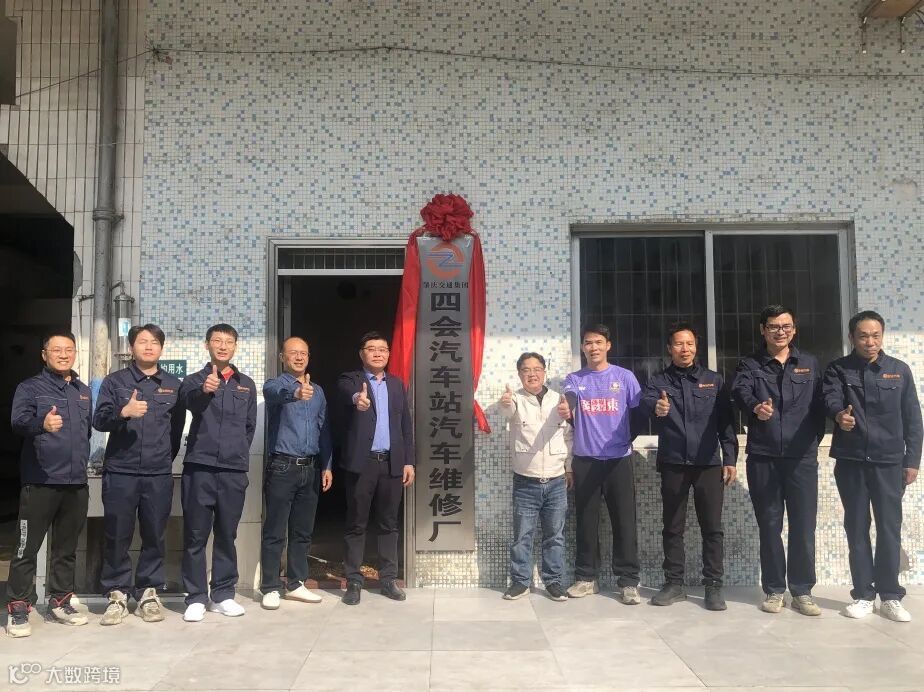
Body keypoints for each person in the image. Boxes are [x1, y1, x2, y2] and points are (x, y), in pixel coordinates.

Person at [823, 310, 922, 622]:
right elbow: (830, 399)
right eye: (863, 336)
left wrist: (912, 461)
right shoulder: (838, 369)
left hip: (889, 463)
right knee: (856, 528)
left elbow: (913, 419)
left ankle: (890, 596)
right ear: (851, 338)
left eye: (875, 335)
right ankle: (864, 595)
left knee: (889, 529)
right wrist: (839, 415)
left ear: (882, 336)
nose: (870, 341)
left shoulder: (899, 371)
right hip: (852, 461)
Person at [732, 305, 825, 616]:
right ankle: (773, 590)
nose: (780, 331)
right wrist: (756, 407)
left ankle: (802, 591)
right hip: (764, 456)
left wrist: (811, 441)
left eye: (786, 326)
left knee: (803, 525)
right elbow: (740, 391)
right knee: (770, 525)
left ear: (794, 329)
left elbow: (821, 404)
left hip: (801, 458)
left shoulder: (809, 363)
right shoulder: (750, 364)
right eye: (773, 326)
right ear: (763, 330)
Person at [638, 323, 738, 610]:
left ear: (696, 347)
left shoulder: (713, 380)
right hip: (674, 463)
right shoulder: (659, 381)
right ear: (669, 349)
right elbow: (646, 403)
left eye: (690, 344)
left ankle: (713, 586)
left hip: (708, 464)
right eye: (679, 344)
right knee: (672, 526)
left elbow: (726, 423)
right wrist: (656, 408)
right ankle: (674, 584)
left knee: (712, 528)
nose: (685, 349)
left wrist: (730, 458)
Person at [92, 324, 186, 625]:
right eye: (143, 341)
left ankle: (148, 592)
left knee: (154, 534)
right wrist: (123, 413)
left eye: (155, 342)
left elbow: (175, 430)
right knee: (117, 534)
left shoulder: (173, 385)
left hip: (157, 474)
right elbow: (99, 421)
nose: (149, 346)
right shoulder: (115, 382)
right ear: (131, 347)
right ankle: (117, 593)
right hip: (121, 472)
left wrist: (163, 459)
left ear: (162, 348)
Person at [6, 331, 91, 638]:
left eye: (69, 349)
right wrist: (41, 425)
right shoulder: (30, 388)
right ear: (44, 355)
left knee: (66, 549)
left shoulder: (83, 391)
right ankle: (18, 606)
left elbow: (86, 433)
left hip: (75, 483)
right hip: (40, 481)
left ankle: (60, 600)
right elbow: (18, 422)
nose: (63, 354)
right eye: (56, 350)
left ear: (75, 353)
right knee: (26, 548)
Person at [177, 324, 257, 622]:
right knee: (195, 535)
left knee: (226, 533)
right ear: (207, 345)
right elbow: (190, 404)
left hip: (233, 471)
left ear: (235, 346)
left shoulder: (246, 384)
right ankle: (196, 597)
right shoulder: (193, 381)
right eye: (217, 341)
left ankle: (223, 595)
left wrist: (237, 453)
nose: (223, 346)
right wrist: (204, 391)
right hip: (200, 468)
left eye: (229, 342)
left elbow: (249, 426)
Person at [561, 324, 642, 604]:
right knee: (586, 521)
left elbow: (638, 414)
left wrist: (625, 440)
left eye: (598, 342)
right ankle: (586, 578)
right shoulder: (574, 379)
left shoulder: (625, 377)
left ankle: (628, 582)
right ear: (582, 347)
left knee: (624, 521)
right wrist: (567, 406)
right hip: (586, 460)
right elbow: (570, 399)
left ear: (608, 345)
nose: (593, 347)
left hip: (619, 459)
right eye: (588, 343)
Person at [337, 331, 414, 605]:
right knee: (356, 523)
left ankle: (388, 579)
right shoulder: (350, 380)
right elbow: (347, 393)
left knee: (389, 524)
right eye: (372, 348)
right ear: (362, 354)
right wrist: (358, 399)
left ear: (389, 354)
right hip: (362, 464)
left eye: (383, 349)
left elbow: (405, 425)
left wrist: (408, 461)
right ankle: (354, 580)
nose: (378, 353)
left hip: (392, 463)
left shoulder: (397, 384)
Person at [260, 337, 333, 610]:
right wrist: (296, 393)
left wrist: (327, 465)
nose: (299, 357)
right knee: (275, 531)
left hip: (310, 468)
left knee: (302, 531)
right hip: (282, 467)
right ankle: (270, 586)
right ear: (282, 357)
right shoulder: (275, 385)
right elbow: (273, 395)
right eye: (293, 353)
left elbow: (324, 430)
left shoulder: (319, 391)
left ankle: (296, 583)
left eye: (303, 353)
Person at [498, 352, 573, 602]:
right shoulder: (515, 399)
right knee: (523, 536)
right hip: (526, 481)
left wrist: (569, 468)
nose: (532, 374)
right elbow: (506, 411)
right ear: (519, 374)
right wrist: (505, 401)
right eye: (526, 370)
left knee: (555, 536)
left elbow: (568, 437)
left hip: (556, 481)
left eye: (537, 369)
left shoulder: (559, 400)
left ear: (544, 372)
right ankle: (520, 582)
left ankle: (553, 582)